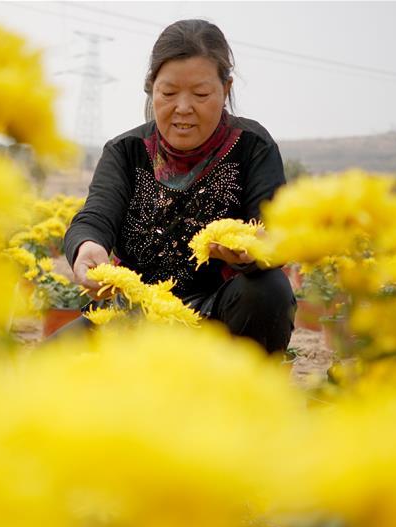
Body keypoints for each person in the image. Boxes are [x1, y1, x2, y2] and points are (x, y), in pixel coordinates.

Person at [61, 19, 296, 353]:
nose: (183, 108)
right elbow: (95, 216)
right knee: (43, 368)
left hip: (219, 315)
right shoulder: (126, 151)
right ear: (152, 88)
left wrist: (256, 250)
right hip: (134, 314)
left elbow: (274, 230)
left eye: (201, 94)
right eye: (169, 93)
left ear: (225, 89)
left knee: (269, 290)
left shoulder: (252, 146)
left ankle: (243, 383)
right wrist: (87, 246)